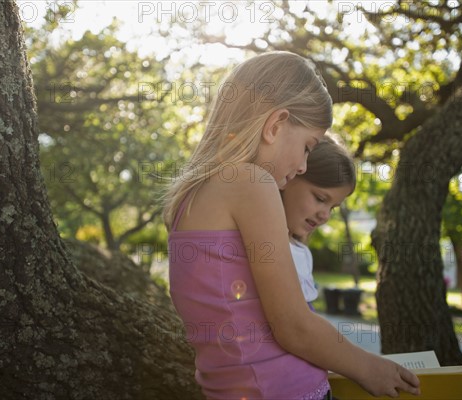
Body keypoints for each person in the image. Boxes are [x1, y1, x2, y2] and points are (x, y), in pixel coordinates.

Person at [163, 51, 420, 400]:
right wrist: (370, 367)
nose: (302, 166)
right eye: (307, 147)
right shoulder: (252, 182)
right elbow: (293, 326)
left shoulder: (190, 196)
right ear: (275, 124)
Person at [281, 136, 356, 309]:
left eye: (333, 208)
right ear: (290, 175)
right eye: (320, 199)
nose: (325, 216)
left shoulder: (303, 254)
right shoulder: (260, 244)